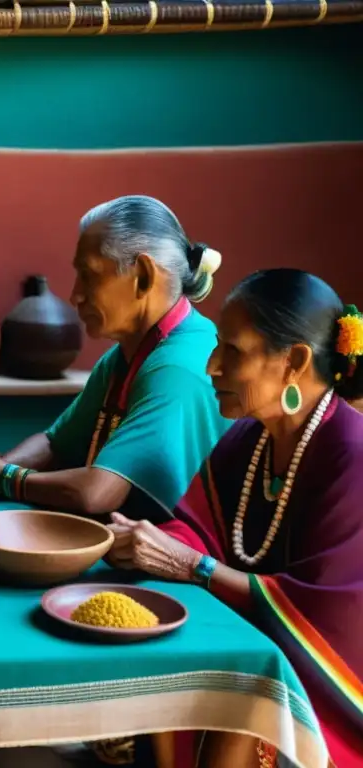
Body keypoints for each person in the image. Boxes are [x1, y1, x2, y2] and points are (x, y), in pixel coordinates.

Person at [106, 269, 363, 768]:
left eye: (233, 350)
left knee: (248, 694)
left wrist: (191, 567)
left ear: (294, 362)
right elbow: (197, 529)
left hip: (333, 695)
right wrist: (143, 542)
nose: (212, 366)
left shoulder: (352, 456)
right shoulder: (251, 438)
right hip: (258, 653)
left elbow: (330, 620)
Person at [0, 195, 231, 524]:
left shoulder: (177, 366)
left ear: (142, 276)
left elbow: (95, 493)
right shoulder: (129, 352)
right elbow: (56, 442)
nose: (75, 295)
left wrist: (2, 477)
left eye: (89, 275)